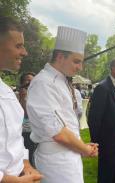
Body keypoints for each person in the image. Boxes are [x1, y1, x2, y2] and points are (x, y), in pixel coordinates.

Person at [27, 26, 98, 183]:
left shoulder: (61, 80)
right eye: (76, 61)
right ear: (60, 57)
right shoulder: (43, 83)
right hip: (56, 161)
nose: (80, 67)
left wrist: (81, 145)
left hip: (68, 156)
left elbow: (68, 124)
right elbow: (58, 133)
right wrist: (84, 149)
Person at [0, 16, 42, 183]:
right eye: (18, 46)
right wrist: (6, 180)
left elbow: (15, 139)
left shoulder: (6, 91)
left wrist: (25, 164)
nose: (24, 52)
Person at [88, 56, 115, 183]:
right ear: (114, 69)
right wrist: (97, 143)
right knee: (106, 176)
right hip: (108, 144)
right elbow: (94, 119)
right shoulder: (103, 88)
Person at [18, 72, 37, 167]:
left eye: (33, 81)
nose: (30, 83)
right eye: (28, 80)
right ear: (22, 83)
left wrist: (25, 98)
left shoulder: (36, 97)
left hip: (31, 132)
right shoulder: (15, 96)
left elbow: (27, 115)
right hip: (19, 133)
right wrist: (22, 97)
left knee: (31, 157)